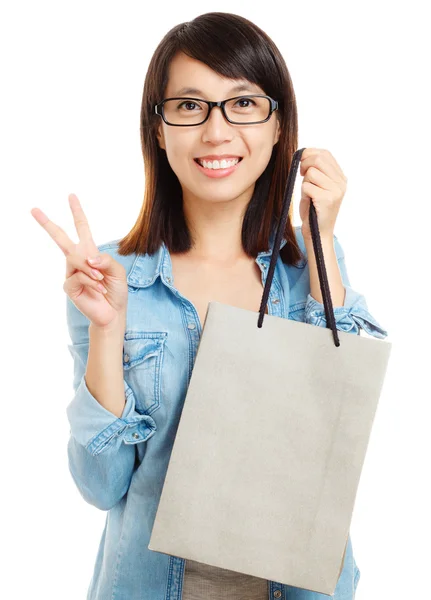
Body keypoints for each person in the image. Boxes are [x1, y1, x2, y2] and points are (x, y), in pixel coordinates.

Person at [30, 11, 388, 600]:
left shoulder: (313, 269)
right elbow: (100, 486)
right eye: (190, 106)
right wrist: (107, 327)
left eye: (243, 104)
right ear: (159, 129)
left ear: (280, 128)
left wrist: (320, 241)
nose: (217, 132)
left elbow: (343, 437)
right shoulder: (113, 276)